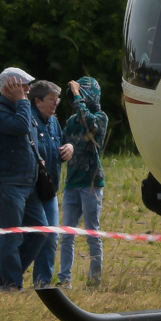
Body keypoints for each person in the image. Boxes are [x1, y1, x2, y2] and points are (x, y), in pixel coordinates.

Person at [0, 67, 46, 292]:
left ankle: (1, 278)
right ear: (9, 86)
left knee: (40, 231)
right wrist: (22, 101)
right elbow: (20, 128)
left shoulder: (23, 109)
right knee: (12, 238)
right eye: (23, 85)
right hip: (8, 184)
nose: (28, 90)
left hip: (28, 183)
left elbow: (30, 138)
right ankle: (12, 285)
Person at [59, 77, 109, 287]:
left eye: (80, 94)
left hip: (91, 184)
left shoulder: (100, 117)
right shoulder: (72, 121)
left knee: (91, 233)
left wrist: (79, 97)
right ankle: (64, 280)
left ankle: (94, 280)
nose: (76, 98)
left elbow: (91, 125)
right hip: (71, 184)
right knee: (67, 234)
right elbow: (61, 143)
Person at [26, 80, 72, 288]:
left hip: (50, 188)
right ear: (37, 101)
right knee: (34, 236)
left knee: (51, 236)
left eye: (57, 100)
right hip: (30, 189)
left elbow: (59, 146)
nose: (56, 104)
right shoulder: (28, 120)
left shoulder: (53, 121)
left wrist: (69, 148)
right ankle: (8, 277)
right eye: (52, 100)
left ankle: (42, 284)